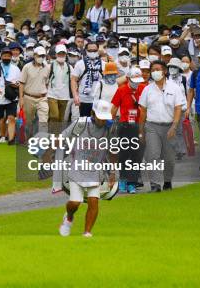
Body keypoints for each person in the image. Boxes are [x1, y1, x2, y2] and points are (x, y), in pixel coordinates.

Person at [59, 100, 117, 238]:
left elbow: (113, 151)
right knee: (75, 202)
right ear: (92, 113)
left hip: (96, 170)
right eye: (100, 117)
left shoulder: (110, 129)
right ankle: (69, 217)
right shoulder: (81, 124)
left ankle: (87, 232)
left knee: (93, 201)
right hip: (77, 168)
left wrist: (113, 173)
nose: (103, 121)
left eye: (105, 118)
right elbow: (63, 137)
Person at [138, 60, 185, 192]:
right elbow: (143, 111)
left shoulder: (174, 87)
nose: (155, 72)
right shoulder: (147, 89)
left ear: (164, 71)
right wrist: (141, 130)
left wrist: (174, 126)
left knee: (169, 158)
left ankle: (167, 181)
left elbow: (178, 108)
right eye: (152, 70)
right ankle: (155, 184)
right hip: (152, 126)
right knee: (152, 155)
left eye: (157, 69)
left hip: (170, 126)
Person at [111, 67, 147, 194]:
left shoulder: (144, 88)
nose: (136, 83)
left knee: (136, 155)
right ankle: (123, 179)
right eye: (134, 80)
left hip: (139, 125)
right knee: (124, 154)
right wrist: (111, 124)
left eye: (138, 80)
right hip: (124, 125)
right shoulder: (121, 90)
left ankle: (132, 182)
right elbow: (114, 108)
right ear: (127, 79)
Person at [0, 47, 21, 145]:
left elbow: (19, 82)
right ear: (1, 56)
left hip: (11, 97)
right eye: (5, 56)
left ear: (11, 57)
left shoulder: (16, 69)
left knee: (11, 118)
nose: (6, 57)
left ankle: (11, 139)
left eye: (8, 56)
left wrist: (15, 86)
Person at [19, 46, 51, 137]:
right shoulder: (27, 67)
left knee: (43, 121)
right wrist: (21, 98)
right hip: (28, 97)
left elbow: (47, 83)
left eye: (43, 56)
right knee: (28, 122)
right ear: (34, 55)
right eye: (39, 55)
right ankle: (28, 138)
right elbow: (21, 84)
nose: (41, 58)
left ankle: (42, 141)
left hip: (42, 98)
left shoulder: (47, 68)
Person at [71, 41, 103, 117]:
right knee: (84, 122)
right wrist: (75, 96)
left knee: (98, 123)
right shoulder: (80, 64)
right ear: (86, 51)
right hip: (83, 100)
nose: (92, 52)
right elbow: (73, 80)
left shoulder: (103, 64)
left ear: (98, 50)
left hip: (98, 99)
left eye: (94, 50)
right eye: (90, 51)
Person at [47, 44, 72, 133]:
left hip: (65, 96)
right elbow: (46, 79)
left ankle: (56, 137)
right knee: (54, 115)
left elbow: (73, 81)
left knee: (61, 118)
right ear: (56, 54)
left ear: (65, 55)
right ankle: (50, 134)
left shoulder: (69, 67)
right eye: (59, 54)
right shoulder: (50, 66)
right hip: (52, 94)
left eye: (63, 54)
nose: (61, 55)